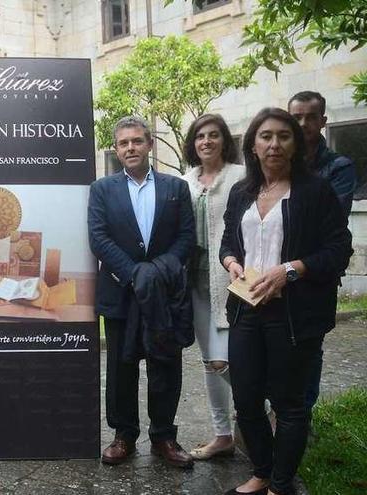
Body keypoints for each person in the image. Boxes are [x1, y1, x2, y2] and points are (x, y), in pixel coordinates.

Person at [219, 108, 352, 495]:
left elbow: (338, 249)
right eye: (265, 136)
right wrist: (231, 263)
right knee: (245, 400)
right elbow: (229, 242)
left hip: (294, 314)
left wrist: (289, 270)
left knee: (289, 403)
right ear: (253, 145)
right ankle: (262, 471)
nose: (274, 144)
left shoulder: (314, 191)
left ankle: (280, 484)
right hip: (246, 308)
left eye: (283, 136)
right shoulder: (242, 191)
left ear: (295, 144)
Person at [87, 115, 196, 469]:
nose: (130, 148)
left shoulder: (175, 188)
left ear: (150, 144)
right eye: (123, 143)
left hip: (164, 295)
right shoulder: (102, 189)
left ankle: (164, 436)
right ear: (116, 150)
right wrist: (135, 273)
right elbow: (99, 237)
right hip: (121, 292)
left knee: (165, 364)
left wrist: (156, 273)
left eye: (136, 141)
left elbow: (185, 238)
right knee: (121, 367)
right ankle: (124, 436)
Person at [286, 90, 356, 413]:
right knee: (277, 346)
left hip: (316, 274)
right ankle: (280, 414)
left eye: (310, 117)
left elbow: (333, 220)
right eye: (296, 117)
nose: (303, 123)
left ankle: (302, 419)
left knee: (310, 347)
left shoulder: (339, 167)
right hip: (277, 274)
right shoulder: (279, 163)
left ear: (323, 121)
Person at [181, 114, 246, 460]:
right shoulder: (185, 180)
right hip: (196, 281)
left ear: (224, 140)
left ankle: (269, 408)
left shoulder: (241, 176)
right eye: (200, 136)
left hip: (232, 278)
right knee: (209, 362)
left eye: (213, 135)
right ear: (193, 143)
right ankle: (223, 435)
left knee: (227, 360)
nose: (206, 141)